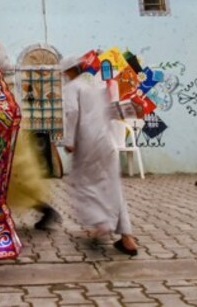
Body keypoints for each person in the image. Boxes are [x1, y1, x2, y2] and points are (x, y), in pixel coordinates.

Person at [60, 55, 138, 256]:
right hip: (107, 142)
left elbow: (71, 112)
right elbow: (110, 111)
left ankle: (102, 223)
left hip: (87, 144)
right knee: (112, 186)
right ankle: (127, 238)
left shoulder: (72, 88)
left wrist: (69, 141)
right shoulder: (94, 86)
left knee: (84, 184)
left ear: (68, 72)